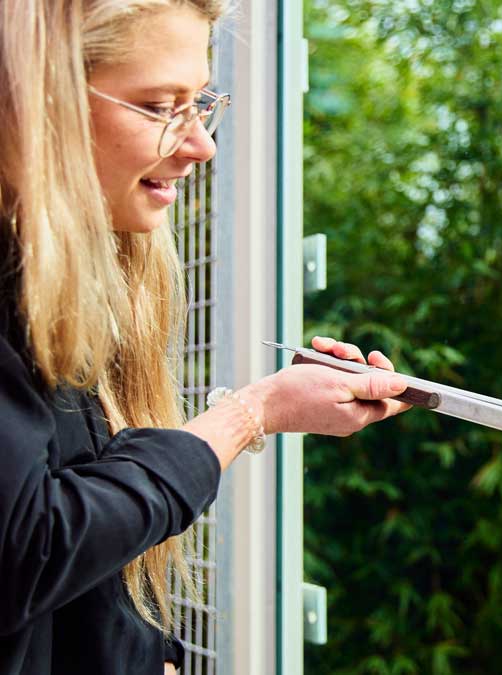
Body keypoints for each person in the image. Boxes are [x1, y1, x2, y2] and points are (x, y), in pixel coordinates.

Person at [0, 1, 411, 673]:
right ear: (43, 95)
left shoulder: (72, 280)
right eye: (162, 107)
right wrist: (249, 414)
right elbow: (29, 548)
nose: (201, 144)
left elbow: (79, 575)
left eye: (201, 103)